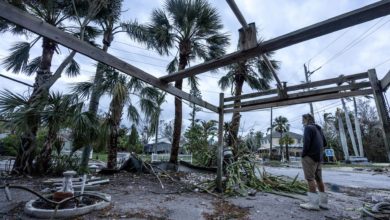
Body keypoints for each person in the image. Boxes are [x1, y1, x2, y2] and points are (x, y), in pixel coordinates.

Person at [300, 113, 328, 211]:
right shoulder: (318, 128)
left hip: (310, 157)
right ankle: (324, 203)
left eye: (303, 119)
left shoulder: (308, 128)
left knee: (310, 179)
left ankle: (313, 204)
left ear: (307, 119)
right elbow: (325, 143)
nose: (302, 121)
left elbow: (306, 143)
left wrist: (303, 154)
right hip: (319, 157)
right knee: (319, 179)